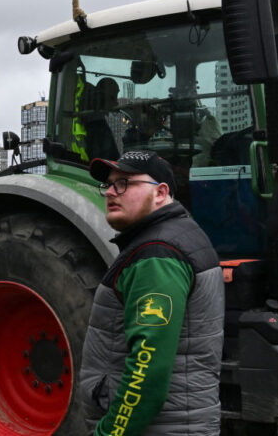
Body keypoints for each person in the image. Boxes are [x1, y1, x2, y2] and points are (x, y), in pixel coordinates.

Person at [80, 150, 224, 435]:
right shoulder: (176, 237)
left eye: (124, 183)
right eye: (109, 184)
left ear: (160, 193)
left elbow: (147, 373)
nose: (110, 192)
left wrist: (109, 433)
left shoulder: (157, 255)